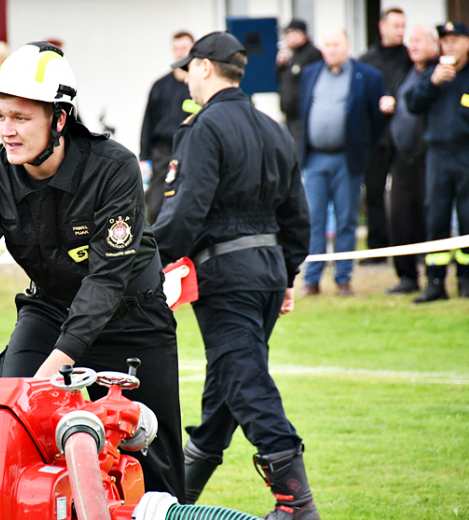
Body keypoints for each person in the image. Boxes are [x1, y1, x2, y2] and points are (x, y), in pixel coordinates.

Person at [0, 42, 185, 502]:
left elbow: (107, 279)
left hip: (134, 319)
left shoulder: (113, 167)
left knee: (155, 472)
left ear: (59, 118)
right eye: (1, 117)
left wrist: (54, 369)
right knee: (16, 434)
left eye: (21, 118)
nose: (7, 131)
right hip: (50, 311)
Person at [152, 32, 316, 519]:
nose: (185, 77)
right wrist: (284, 275)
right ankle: (179, 499)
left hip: (226, 277)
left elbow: (186, 213)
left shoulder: (203, 128)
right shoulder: (274, 129)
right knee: (225, 385)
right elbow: (298, 217)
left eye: (189, 69)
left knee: (243, 380)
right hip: (266, 274)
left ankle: (297, 504)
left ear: (204, 68)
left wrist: (143, 261)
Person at [299, 28, 386, 296]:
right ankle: (311, 279)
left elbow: (378, 120)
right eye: (327, 44)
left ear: (347, 45)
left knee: (346, 219)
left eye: (337, 44)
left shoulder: (367, 76)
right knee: (314, 219)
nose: (332, 49)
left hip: (346, 160)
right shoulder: (310, 73)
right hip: (314, 159)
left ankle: (343, 278)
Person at [406, 20, 469, 302]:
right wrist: (432, 83)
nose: (450, 45)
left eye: (455, 40)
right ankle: (435, 281)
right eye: (445, 41)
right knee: (436, 217)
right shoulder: (433, 74)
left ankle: (467, 281)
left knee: (468, 217)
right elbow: (412, 104)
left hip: (466, 153)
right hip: (438, 155)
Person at [385, 26, 438, 294]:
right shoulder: (404, 72)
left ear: (433, 44)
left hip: (429, 156)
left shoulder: (440, 73)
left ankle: (434, 277)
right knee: (400, 217)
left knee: (431, 216)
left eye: (419, 41)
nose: (413, 46)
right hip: (402, 158)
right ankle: (406, 276)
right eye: (410, 42)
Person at [358, 8, 412, 261]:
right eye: (396, 26)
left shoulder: (410, 58)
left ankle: (412, 246)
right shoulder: (367, 60)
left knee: (409, 195)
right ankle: (377, 249)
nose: (401, 31)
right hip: (376, 138)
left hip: (405, 139)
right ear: (382, 27)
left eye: (403, 26)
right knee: (375, 194)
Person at [139, 30, 193, 223]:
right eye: (176, 49)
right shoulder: (160, 85)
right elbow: (147, 122)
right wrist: (144, 157)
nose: (180, 53)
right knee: (156, 206)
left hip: (189, 151)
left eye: (184, 48)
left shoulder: (196, 87)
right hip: (162, 154)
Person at [276, 19, 323, 154]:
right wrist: (280, 66)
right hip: (289, 113)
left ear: (301, 34)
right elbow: (281, 80)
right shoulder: (292, 56)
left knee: (298, 152)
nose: (287, 38)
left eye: (290, 34)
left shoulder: (312, 54)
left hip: (302, 114)